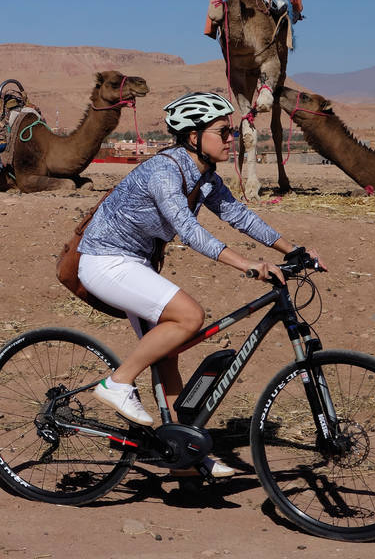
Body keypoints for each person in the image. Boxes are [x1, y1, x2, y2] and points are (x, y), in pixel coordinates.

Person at [76, 91, 323, 477]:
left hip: (135, 263)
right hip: (105, 261)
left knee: (167, 353)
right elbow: (188, 230)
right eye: (223, 132)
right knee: (190, 317)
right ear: (194, 137)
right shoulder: (164, 171)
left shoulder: (204, 176)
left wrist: (295, 250)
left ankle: (183, 455)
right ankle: (117, 382)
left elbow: (239, 215)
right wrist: (247, 265)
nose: (230, 139)